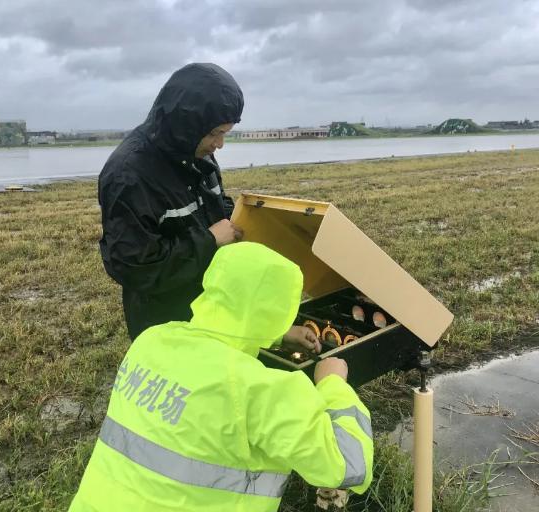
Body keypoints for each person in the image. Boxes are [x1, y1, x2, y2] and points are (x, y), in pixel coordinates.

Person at [69, 242, 373, 511]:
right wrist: (333, 384)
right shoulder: (260, 389)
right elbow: (350, 464)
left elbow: (226, 321)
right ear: (281, 309)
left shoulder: (150, 341)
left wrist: (274, 335)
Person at [98, 63, 316, 352]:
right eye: (215, 133)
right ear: (186, 126)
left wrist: (245, 219)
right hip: (166, 323)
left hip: (213, 305)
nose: (220, 144)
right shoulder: (129, 175)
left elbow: (216, 208)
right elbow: (136, 267)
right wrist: (210, 240)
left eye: (225, 133)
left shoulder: (196, 154)